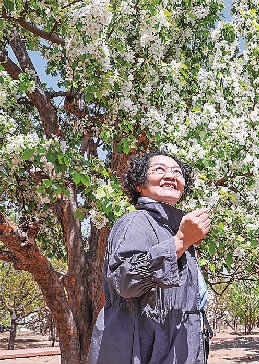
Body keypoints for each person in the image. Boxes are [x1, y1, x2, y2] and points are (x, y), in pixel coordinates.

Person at [88, 151, 212, 364]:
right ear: (139, 184)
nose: (171, 176)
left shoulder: (173, 229)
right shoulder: (135, 222)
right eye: (159, 170)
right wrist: (181, 241)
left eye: (177, 172)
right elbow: (125, 281)